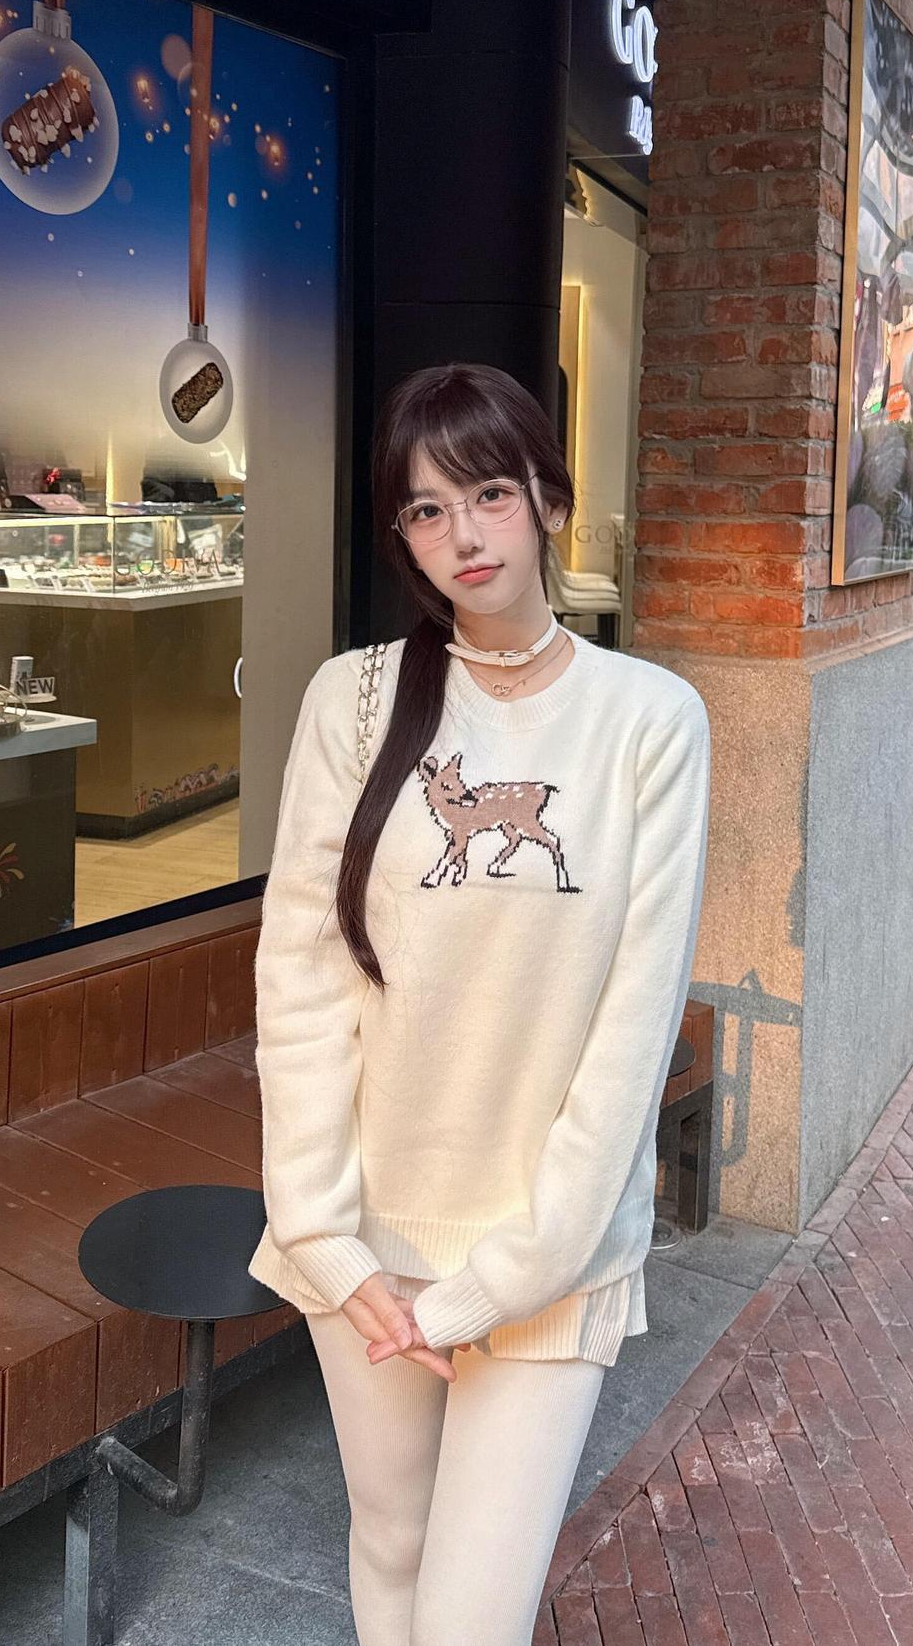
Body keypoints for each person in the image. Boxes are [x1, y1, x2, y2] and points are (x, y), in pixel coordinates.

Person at [246, 361, 711, 1644]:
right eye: (425, 508)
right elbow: (302, 979)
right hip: (365, 1236)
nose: (462, 535)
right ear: (401, 535)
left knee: (472, 1616)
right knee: (389, 1542)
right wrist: (324, 1238)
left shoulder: (648, 720)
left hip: (548, 1255)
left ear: (548, 501)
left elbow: (631, 1028)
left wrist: (498, 1280)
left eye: (490, 494)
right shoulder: (352, 701)